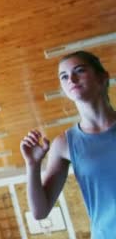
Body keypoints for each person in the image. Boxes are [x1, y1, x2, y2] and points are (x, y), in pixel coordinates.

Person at [20, 51, 116, 238]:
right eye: (64, 76)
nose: (71, 79)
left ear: (102, 77)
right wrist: (32, 165)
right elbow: (40, 212)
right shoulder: (64, 144)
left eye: (79, 71)